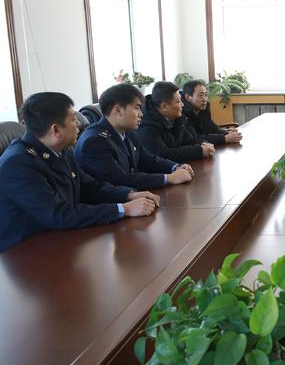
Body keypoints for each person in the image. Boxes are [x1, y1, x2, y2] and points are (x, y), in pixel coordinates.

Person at [0, 92, 159, 252]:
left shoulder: (61, 149)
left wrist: (129, 195)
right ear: (56, 130)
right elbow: (58, 214)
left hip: (62, 240)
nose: (78, 124)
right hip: (25, 255)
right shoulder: (18, 163)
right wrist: (124, 209)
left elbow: (89, 187)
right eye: (72, 119)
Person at [75, 84, 195, 191]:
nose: (141, 114)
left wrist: (175, 167)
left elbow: (148, 159)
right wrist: (168, 178)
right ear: (118, 110)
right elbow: (120, 179)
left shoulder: (127, 131)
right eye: (137, 108)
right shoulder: (94, 141)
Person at [136, 81, 215, 162]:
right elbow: (164, 154)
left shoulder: (176, 117)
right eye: (178, 102)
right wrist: (199, 151)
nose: (182, 105)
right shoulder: (147, 125)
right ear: (164, 106)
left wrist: (203, 143)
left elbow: (189, 139)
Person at [181, 80, 243, 145]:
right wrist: (224, 138)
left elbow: (213, 129)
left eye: (206, 95)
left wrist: (227, 133)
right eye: (201, 95)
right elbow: (194, 138)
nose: (205, 99)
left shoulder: (203, 109)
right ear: (188, 97)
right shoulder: (181, 113)